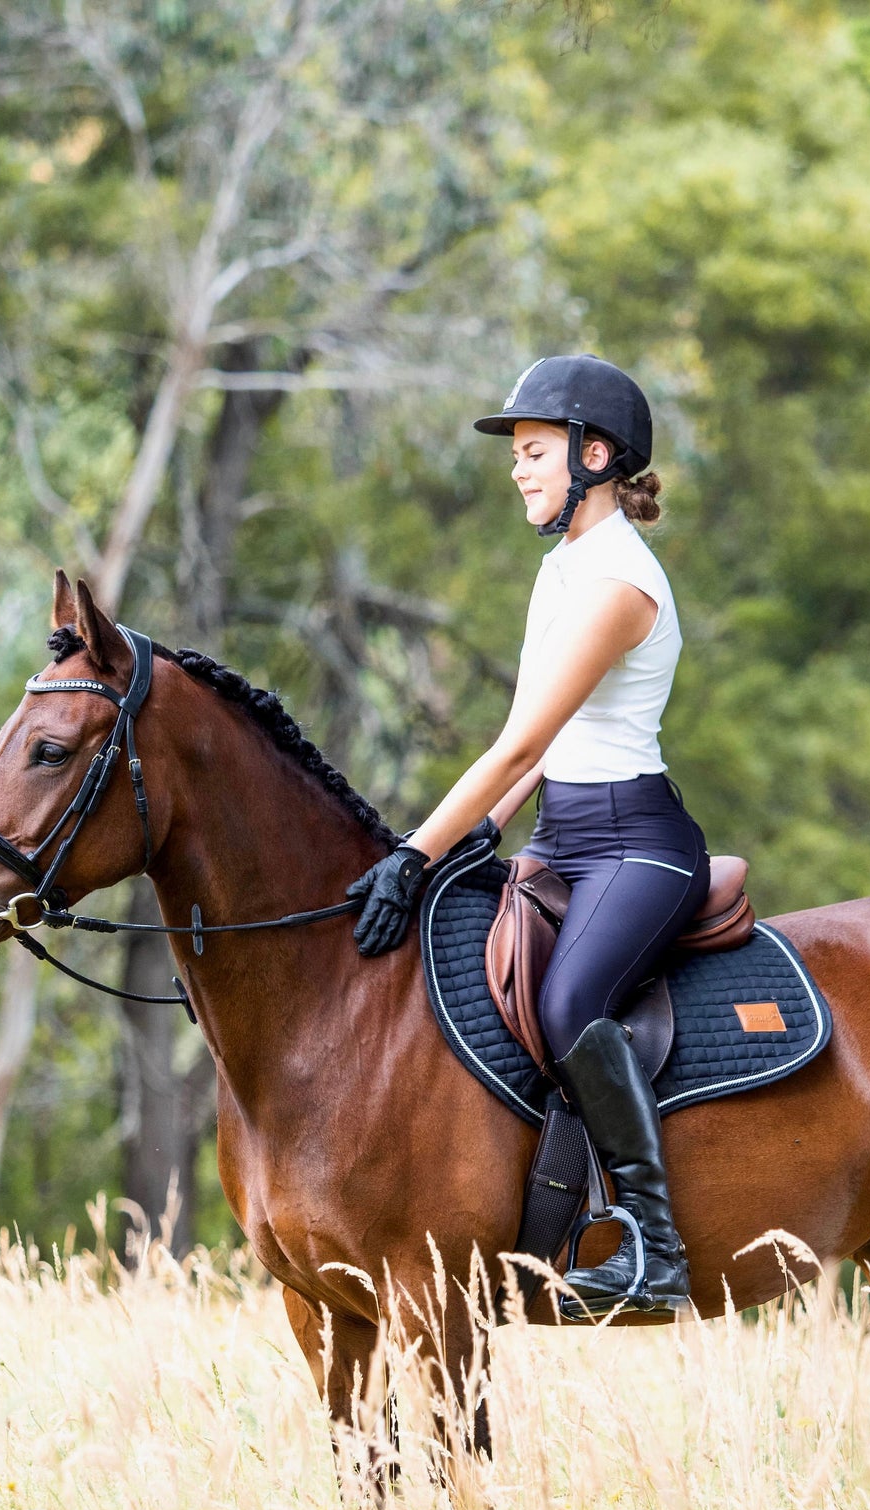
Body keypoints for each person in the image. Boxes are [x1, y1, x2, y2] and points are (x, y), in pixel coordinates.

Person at [347, 354, 708, 1319]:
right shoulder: (562, 566)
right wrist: (479, 839)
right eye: (517, 453)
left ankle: (654, 1246)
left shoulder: (620, 582)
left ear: (595, 456)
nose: (518, 469)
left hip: (639, 842)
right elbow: (538, 754)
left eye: (535, 451)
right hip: (563, 832)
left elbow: (522, 741)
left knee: (568, 999)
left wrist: (414, 851)